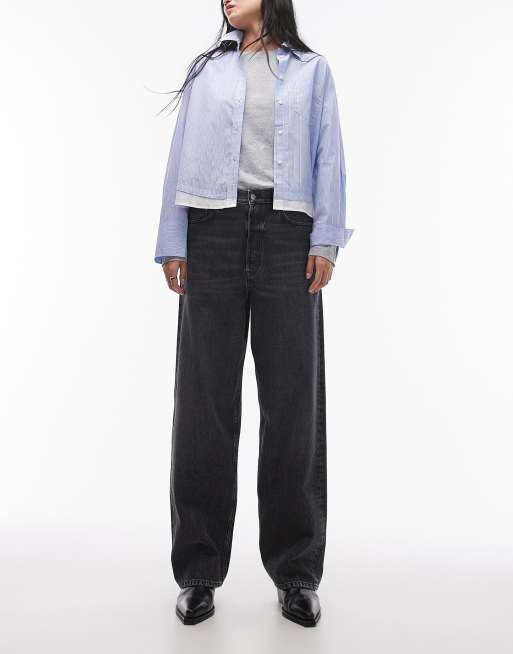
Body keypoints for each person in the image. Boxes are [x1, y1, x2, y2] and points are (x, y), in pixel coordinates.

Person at [154, 0, 353, 628]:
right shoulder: (207, 71)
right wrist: (173, 240)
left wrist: (325, 240)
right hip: (210, 230)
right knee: (203, 404)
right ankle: (198, 571)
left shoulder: (312, 71)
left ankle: (296, 574)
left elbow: (328, 156)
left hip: (288, 234)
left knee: (292, 405)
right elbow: (180, 154)